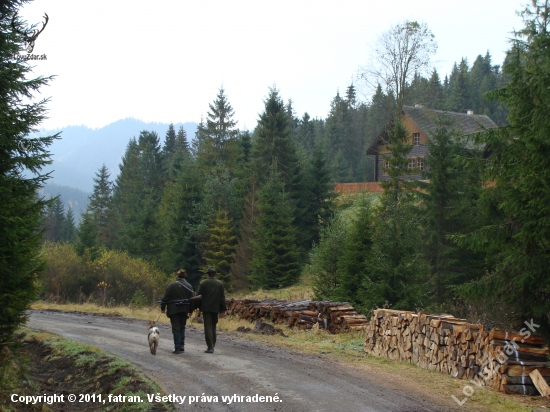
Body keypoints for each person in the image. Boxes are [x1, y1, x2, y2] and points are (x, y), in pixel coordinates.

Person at [160, 269, 194, 354]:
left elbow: (165, 298)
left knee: (176, 328)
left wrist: (163, 308)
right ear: (185, 276)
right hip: (184, 309)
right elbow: (192, 299)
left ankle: (177, 348)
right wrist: (190, 310)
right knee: (182, 327)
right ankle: (182, 345)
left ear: (177, 275)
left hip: (173, 309)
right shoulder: (189, 286)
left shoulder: (171, 285)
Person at [196, 266, 227, 353]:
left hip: (206, 309)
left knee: (208, 327)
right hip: (216, 309)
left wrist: (197, 307)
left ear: (207, 274)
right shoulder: (220, 284)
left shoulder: (203, 283)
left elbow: (198, 296)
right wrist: (224, 309)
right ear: (215, 274)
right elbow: (222, 298)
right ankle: (213, 345)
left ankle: (210, 347)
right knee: (213, 327)